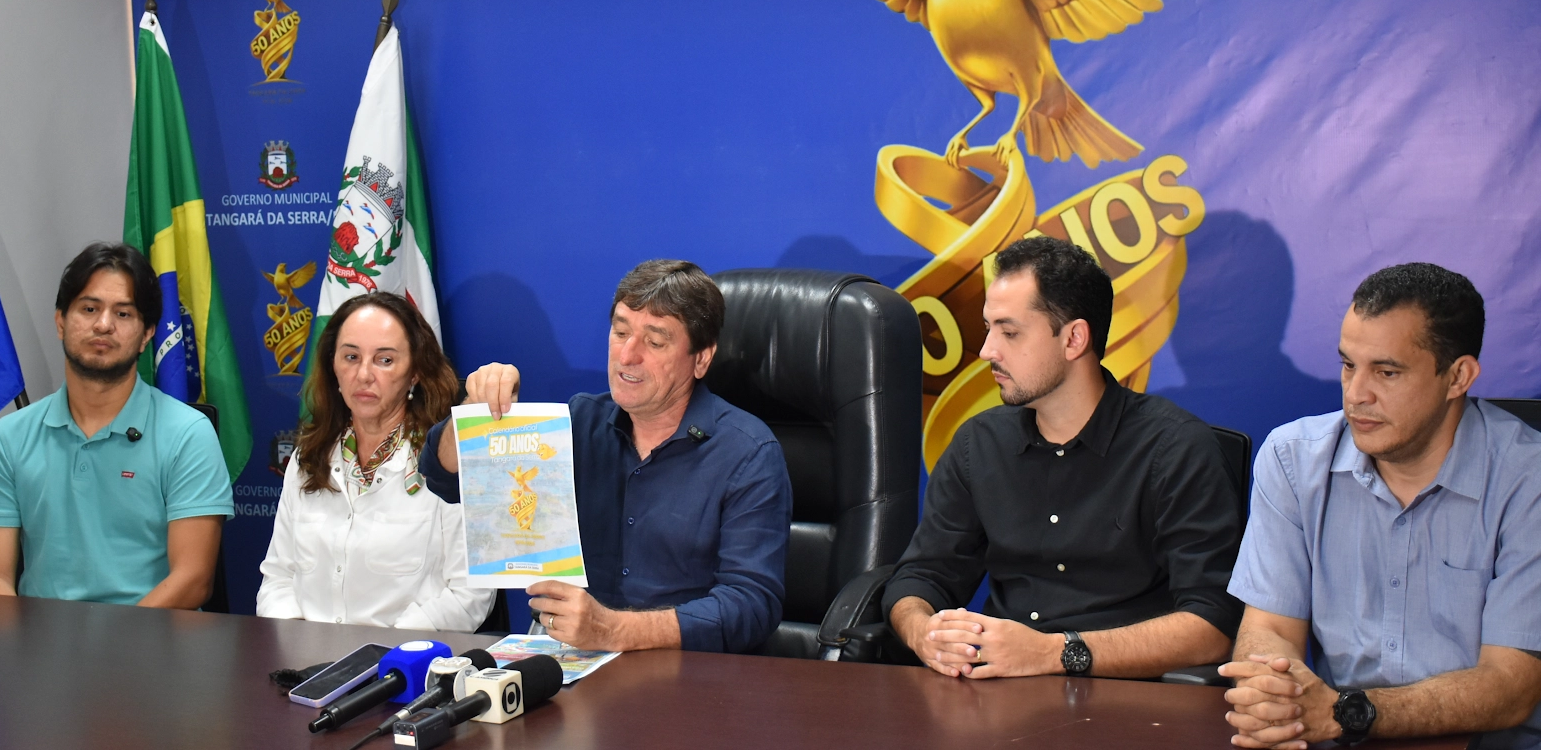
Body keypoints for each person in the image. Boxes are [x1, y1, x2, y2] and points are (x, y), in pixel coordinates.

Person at [884, 235, 1243, 679]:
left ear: (1074, 339)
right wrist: (924, 632)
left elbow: (1213, 624)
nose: (987, 351)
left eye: (1009, 332)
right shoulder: (979, 444)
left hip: (1126, 696)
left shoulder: (1175, 449)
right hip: (995, 690)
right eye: (988, 328)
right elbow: (922, 577)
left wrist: (1054, 652)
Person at [1221, 263, 1541, 748]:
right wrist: (1270, 692)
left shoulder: (1528, 480)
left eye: (1386, 372)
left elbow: (1510, 686)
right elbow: (1269, 628)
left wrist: (1347, 712)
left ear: (1458, 376)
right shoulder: (1292, 460)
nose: (1356, 394)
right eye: (1349, 365)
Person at [420, 259, 792, 654]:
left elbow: (752, 606)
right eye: (620, 332)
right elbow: (443, 479)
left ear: (701, 359)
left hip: (687, 669)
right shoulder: (579, 421)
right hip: (566, 660)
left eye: (654, 341)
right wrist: (477, 413)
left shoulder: (748, 454)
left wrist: (614, 630)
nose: (627, 355)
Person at [0, 243, 232, 607]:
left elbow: (192, 580)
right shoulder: (10, 437)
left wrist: (111, 642)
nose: (103, 325)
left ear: (147, 333)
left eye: (123, 314)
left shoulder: (187, 434)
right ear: (61, 322)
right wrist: (20, 639)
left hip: (152, 638)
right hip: (40, 638)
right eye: (89, 309)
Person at [258, 292, 493, 632]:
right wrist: (298, 640)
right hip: (305, 656)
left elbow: (469, 593)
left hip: (406, 656)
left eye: (384, 360)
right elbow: (279, 577)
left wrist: (388, 653)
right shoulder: (309, 454)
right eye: (351, 357)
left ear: (414, 373)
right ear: (332, 366)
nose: (363, 374)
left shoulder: (448, 459)